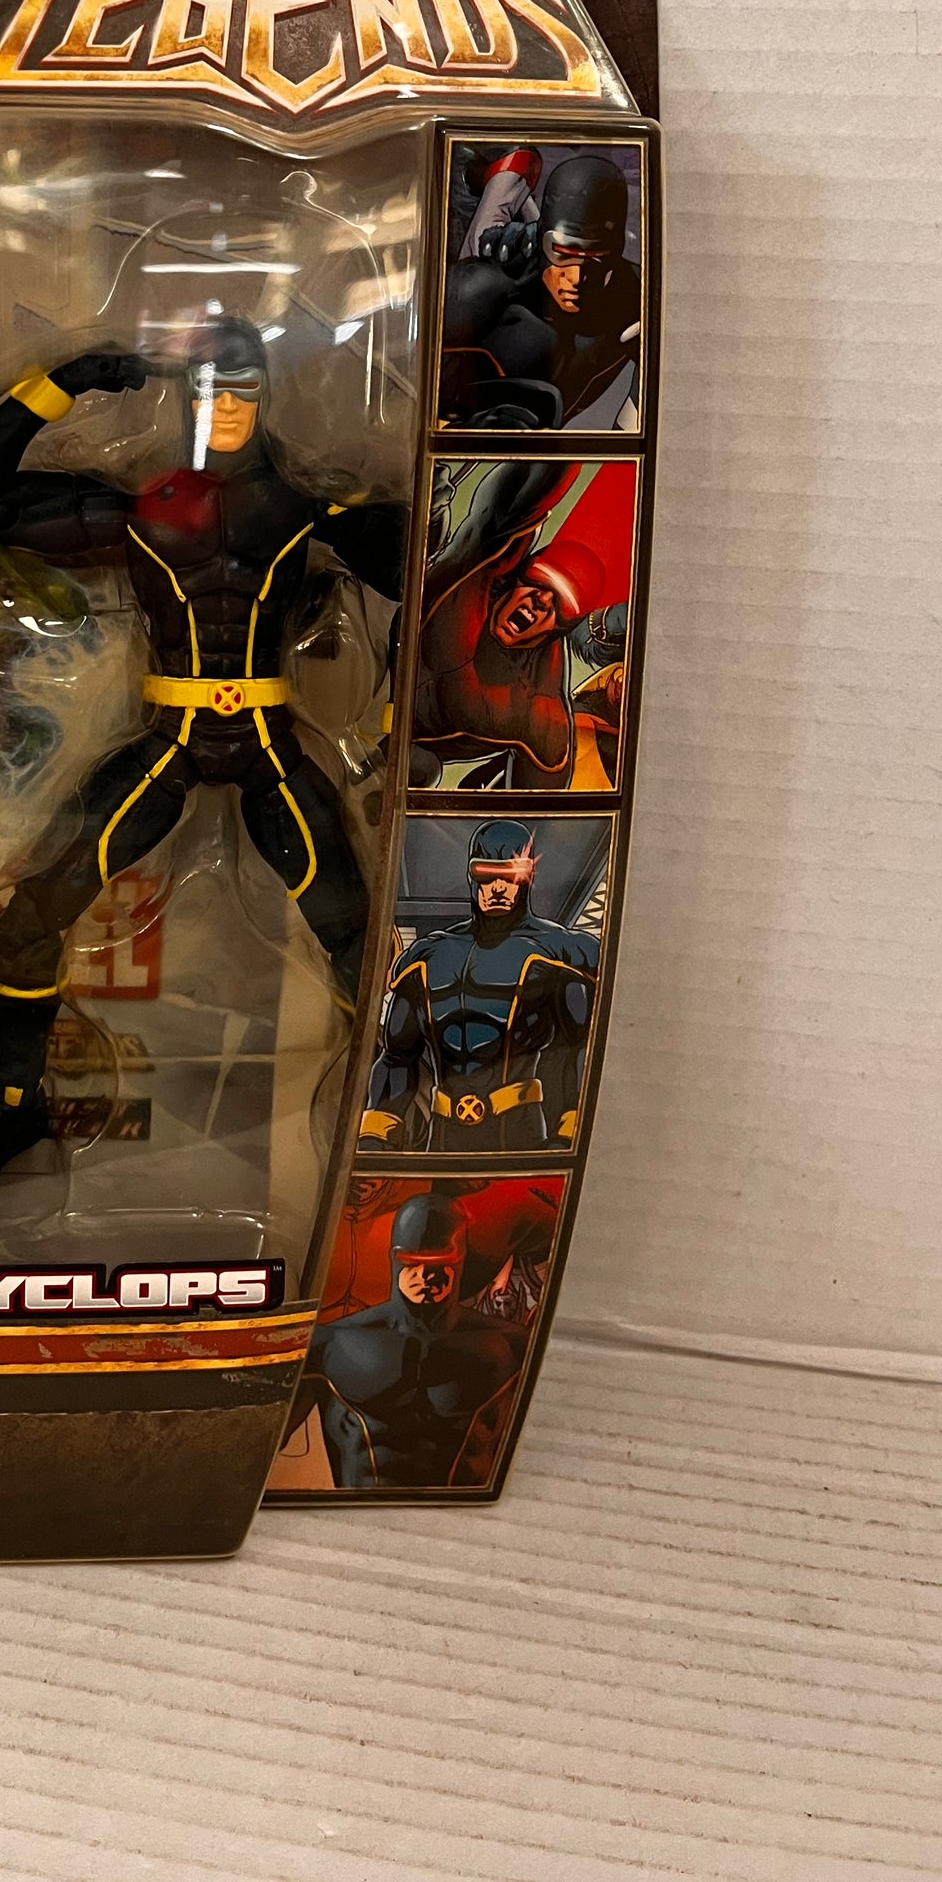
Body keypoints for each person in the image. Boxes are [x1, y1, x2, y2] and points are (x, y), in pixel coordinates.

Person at [0, 314, 405, 1208]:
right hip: (171, 743)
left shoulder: (300, 507)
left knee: (355, 931)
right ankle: (14, 1104)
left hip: (268, 746)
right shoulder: (149, 508)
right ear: (188, 398)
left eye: (245, 392)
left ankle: (392, 1096)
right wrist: (65, 381)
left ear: (266, 397)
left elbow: (435, 564)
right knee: (29, 917)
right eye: (212, 392)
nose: (228, 409)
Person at [362, 821, 595, 1152]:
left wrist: (569, 1132)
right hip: (443, 1135)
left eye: (510, 874)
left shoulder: (559, 953)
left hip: (519, 1132)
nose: (498, 887)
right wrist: (376, 1131)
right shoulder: (427, 958)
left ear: (528, 875)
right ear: (472, 875)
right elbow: (398, 1056)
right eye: (487, 874)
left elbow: (575, 1050)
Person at [291, 1191, 539, 1488]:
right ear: (395, 1259)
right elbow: (263, 1445)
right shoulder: (332, 1343)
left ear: (459, 1259)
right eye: (411, 1261)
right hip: (364, 1509)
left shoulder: (512, 1347)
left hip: (463, 1511)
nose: (424, 1276)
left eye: (437, 1261)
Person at [412, 461, 627, 790]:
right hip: (372, 645)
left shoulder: (537, 708)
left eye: (560, 605)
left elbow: (539, 804)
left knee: (420, 769)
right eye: (540, 580)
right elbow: (524, 490)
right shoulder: (477, 576)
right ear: (521, 574)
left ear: (559, 629)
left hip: (397, 754)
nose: (542, 600)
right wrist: (560, 445)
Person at [440, 150, 641, 429]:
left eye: (596, 259)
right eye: (563, 254)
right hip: (500, 277)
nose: (576, 277)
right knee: (487, 244)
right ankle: (511, 173)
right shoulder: (486, 285)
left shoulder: (636, 299)